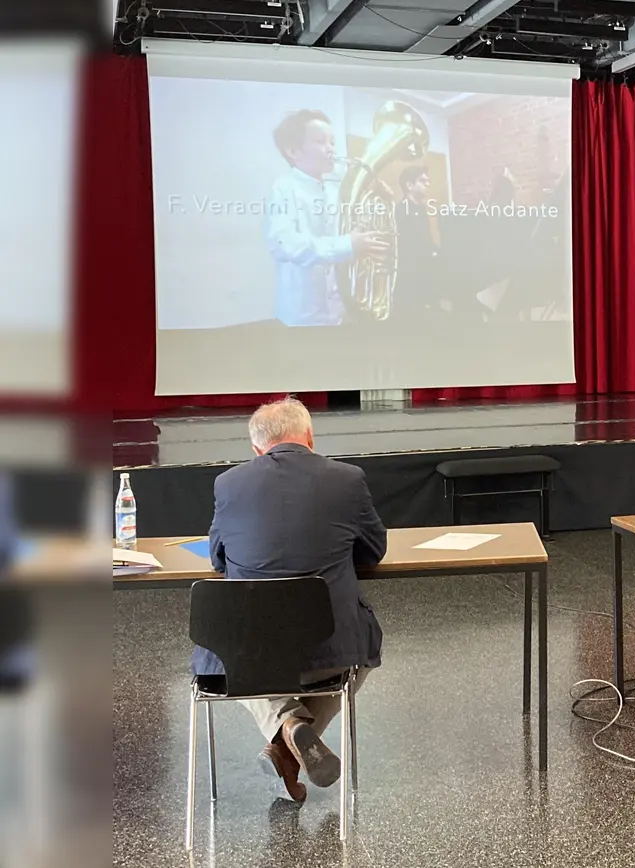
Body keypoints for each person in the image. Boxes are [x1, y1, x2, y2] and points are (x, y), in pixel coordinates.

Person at [195, 398, 386, 802]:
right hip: (331, 651)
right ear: (310, 437)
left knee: (240, 656)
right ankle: (296, 734)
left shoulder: (228, 483)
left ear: (255, 450)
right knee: (363, 648)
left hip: (245, 657)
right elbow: (373, 551)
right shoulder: (347, 479)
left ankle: (286, 732)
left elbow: (217, 558)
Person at [264, 109, 389, 327]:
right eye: (321, 142)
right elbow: (285, 245)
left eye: (332, 142)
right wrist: (348, 244)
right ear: (293, 151)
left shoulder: (336, 188)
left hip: (341, 312)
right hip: (303, 317)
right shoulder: (283, 188)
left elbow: (352, 229)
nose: (331, 148)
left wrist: (378, 201)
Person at [394, 165, 438, 318]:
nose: (427, 183)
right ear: (409, 185)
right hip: (409, 282)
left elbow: (426, 241)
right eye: (422, 180)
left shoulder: (421, 209)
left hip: (423, 277)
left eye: (427, 180)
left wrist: (437, 253)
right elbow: (408, 248)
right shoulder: (399, 211)